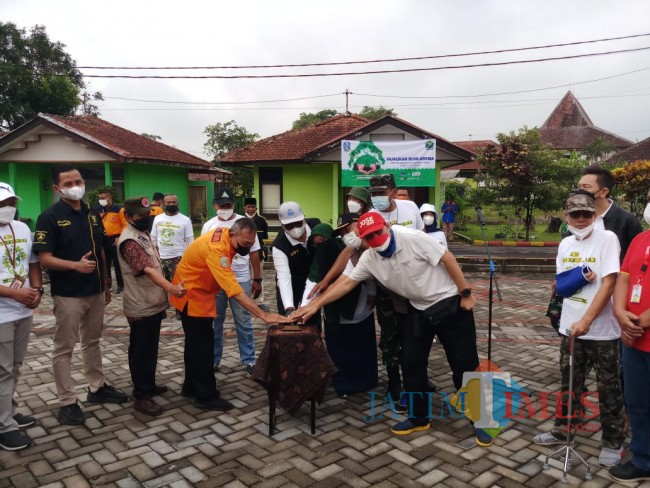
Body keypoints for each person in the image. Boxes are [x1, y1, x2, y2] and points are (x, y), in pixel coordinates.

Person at [290, 212, 490, 445]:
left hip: (450, 302)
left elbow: (448, 259)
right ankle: (418, 417)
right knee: (411, 363)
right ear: (362, 239)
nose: (375, 238)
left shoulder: (412, 237)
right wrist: (314, 306)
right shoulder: (369, 257)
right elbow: (346, 283)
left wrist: (465, 294)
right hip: (418, 308)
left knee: (464, 365)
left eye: (378, 231)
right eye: (369, 236)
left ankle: (482, 420)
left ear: (386, 225)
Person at [532, 193, 625, 467]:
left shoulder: (607, 239)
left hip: (601, 331)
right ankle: (564, 428)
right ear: (566, 216)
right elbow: (561, 285)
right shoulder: (565, 244)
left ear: (595, 215)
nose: (582, 219)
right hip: (570, 327)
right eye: (576, 215)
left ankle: (613, 440)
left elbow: (609, 283)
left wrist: (588, 320)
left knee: (609, 388)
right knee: (570, 382)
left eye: (587, 214)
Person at [33, 165, 127, 426]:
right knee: (64, 347)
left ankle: (96, 387)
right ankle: (67, 401)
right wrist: (75, 265)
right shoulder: (49, 217)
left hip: (96, 290)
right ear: (57, 188)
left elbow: (102, 249)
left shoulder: (93, 214)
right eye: (68, 182)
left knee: (93, 340)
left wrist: (106, 283)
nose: (75, 186)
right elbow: (44, 258)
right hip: (69, 294)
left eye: (78, 181)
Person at [169, 218, 288, 411]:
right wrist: (263, 315)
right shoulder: (218, 250)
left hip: (199, 293)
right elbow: (234, 290)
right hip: (192, 296)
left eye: (251, 245)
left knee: (194, 345)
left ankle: (190, 386)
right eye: (244, 244)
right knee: (203, 348)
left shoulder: (228, 234)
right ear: (233, 235)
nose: (247, 249)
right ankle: (205, 395)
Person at [118, 197, 187, 416]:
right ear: (129, 217)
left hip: (151, 303)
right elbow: (147, 269)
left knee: (150, 348)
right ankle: (142, 395)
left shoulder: (142, 234)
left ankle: (149, 385)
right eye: (141, 216)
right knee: (141, 350)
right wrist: (171, 288)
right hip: (140, 305)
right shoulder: (129, 240)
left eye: (149, 215)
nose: (147, 219)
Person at [608, 189, 650, 483]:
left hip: (639, 330)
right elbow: (624, 276)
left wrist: (639, 322)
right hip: (634, 340)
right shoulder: (640, 239)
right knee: (637, 402)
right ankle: (643, 458)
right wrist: (621, 314)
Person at [316, 214, 378, 398]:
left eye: (348, 229)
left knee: (362, 345)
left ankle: (366, 380)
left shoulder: (370, 244)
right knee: (340, 348)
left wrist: (373, 292)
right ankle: (342, 383)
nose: (346, 234)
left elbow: (371, 271)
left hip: (360, 302)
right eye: (342, 232)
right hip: (336, 303)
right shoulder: (332, 247)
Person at [202, 188, 262, 375]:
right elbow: (204, 254)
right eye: (222, 205)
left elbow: (254, 252)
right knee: (215, 322)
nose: (225, 208)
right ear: (215, 205)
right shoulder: (209, 225)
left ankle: (249, 361)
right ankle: (213, 360)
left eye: (228, 205)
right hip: (216, 282)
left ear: (234, 204)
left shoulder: (245, 224)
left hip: (241, 279)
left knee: (244, 322)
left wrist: (257, 279)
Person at [0, 183, 41, 451]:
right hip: (2, 313)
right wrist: (14, 295)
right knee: (2, 371)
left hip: (23, 310)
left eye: (12, 202)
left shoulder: (23, 228)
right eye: (4, 203)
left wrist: (37, 290)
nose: (9, 208)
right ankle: (4, 428)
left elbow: (33, 263)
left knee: (14, 367)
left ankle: (8, 412)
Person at [577, 165, 642, 263]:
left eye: (586, 187)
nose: (580, 191)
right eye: (579, 187)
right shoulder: (575, 217)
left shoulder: (626, 220)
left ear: (603, 192)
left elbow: (636, 256)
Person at [271, 201, 320, 318]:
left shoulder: (316, 226)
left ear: (304, 218)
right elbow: (284, 277)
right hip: (291, 281)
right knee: (286, 318)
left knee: (311, 316)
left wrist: (305, 306)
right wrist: (289, 307)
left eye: (298, 223)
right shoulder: (279, 245)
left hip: (313, 279)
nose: (295, 228)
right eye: (289, 226)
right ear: (282, 225)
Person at [150, 194, 194, 283]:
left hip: (178, 258)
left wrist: (189, 258)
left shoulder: (185, 220)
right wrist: (153, 255)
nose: (171, 204)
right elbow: (153, 238)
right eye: (168, 202)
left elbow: (190, 240)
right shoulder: (158, 218)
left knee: (178, 284)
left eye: (173, 202)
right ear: (163, 204)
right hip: (160, 258)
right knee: (162, 286)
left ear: (178, 204)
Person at [95, 189, 125, 293]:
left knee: (117, 264)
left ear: (110, 198)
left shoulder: (119, 209)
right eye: (99, 198)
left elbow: (125, 225)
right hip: (103, 239)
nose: (101, 200)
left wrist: (120, 237)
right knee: (104, 263)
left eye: (103, 198)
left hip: (115, 239)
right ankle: (108, 285)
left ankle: (121, 286)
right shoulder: (97, 209)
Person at [243, 197, 270, 311]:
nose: (250, 209)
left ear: (256, 208)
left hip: (258, 253)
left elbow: (265, 237)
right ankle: (244, 301)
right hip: (242, 254)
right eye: (248, 207)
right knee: (243, 277)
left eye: (252, 207)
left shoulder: (262, 220)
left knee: (258, 277)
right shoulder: (240, 220)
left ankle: (259, 301)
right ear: (245, 208)